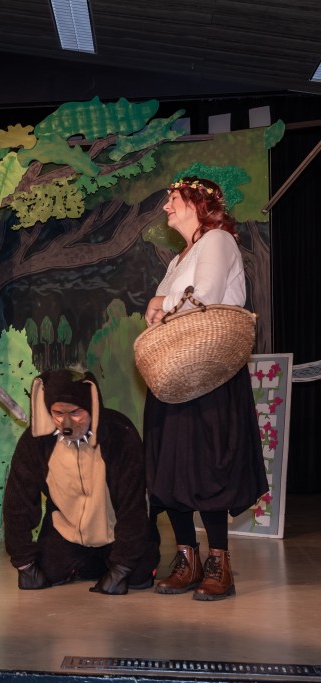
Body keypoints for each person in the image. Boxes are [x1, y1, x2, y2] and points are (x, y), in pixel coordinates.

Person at [143, 176, 268, 601]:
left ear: (198, 203)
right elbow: (161, 307)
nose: (166, 207)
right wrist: (159, 307)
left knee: (209, 464)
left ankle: (219, 561)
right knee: (170, 466)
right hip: (174, 369)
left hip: (210, 370)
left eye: (174, 199)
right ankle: (186, 557)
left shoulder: (217, 241)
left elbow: (205, 298)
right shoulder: (181, 258)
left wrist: (161, 307)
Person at [3, 369, 159, 594]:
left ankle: (115, 564)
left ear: (92, 405)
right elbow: (17, 502)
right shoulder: (36, 442)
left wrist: (122, 566)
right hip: (67, 533)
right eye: (58, 413)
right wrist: (24, 562)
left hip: (116, 534)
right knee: (47, 570)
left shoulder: (119, 434)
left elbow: (134, 507)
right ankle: (89, 565)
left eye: (75, 412)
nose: (66, 423)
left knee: (138, 575)